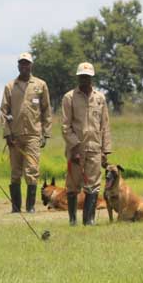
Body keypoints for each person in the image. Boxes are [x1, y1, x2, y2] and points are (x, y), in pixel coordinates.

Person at [0, 52, 52, 213]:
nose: (24, 66)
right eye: (21, 63)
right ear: (18, 66)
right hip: (14, 136)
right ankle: (16, 208)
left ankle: (30, 208)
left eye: (27, 63)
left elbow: (46, 110)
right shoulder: (10, 86)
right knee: (15, 172)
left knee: (32, 170)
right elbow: (3, 111)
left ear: (31, 65)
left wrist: (46, 133)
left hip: (33, 135)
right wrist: (7, 133)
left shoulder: (40, 85)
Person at [61, 62, 111, 226]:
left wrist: (106, 151)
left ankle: (88, 220)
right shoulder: (69, 97)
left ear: (91, 78)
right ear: (78, 77)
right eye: (82, 76)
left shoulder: (100, 98)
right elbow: (65, 126)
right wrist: (74, 147)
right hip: (76, 150)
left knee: (94, 185)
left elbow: (105, 125)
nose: (84, 80)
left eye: (87, 77)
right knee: (73, 185)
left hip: (95, 149)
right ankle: (73, 220)